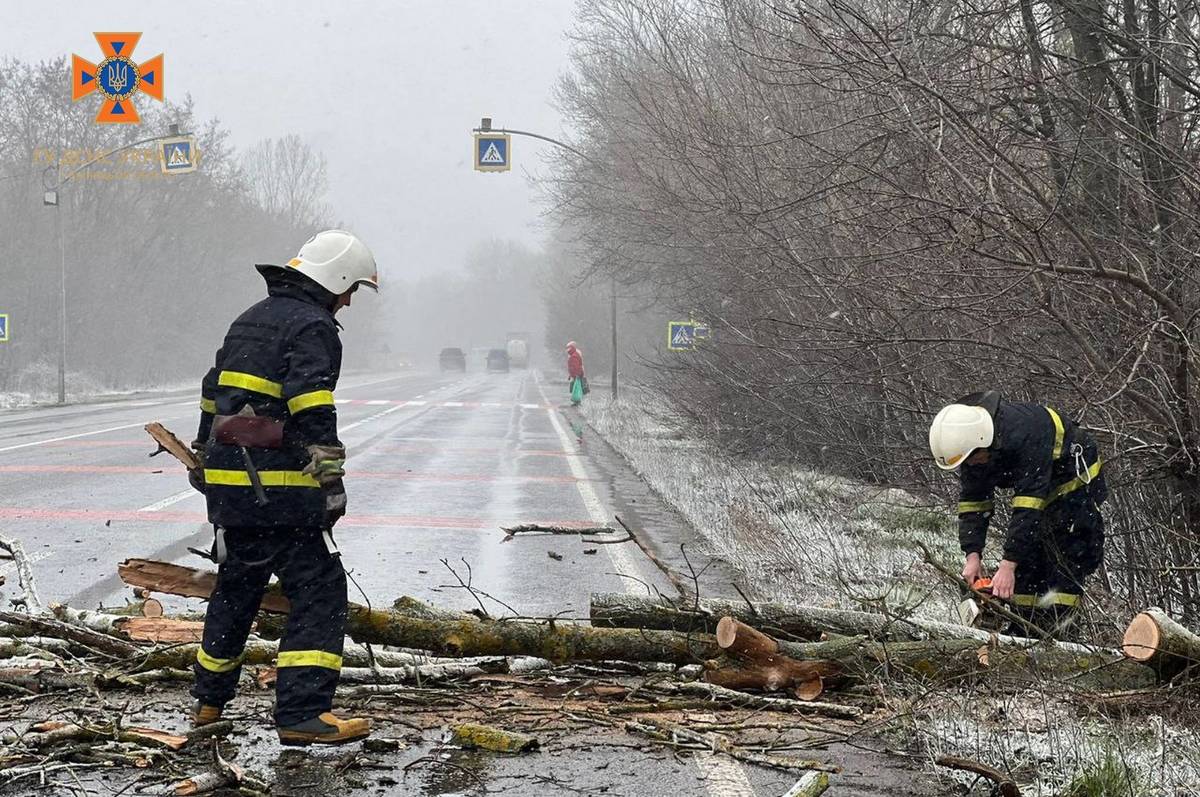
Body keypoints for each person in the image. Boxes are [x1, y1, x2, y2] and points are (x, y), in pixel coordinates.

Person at [188, 230, 378, 745]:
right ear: (335, 279)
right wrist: (330, 476)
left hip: (231, 486)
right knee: (320, 591)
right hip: (280, 493)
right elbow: (310, 403)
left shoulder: (249, 318)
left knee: (236, 589)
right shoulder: (313, 326)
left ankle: (208, 702)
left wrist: (205, 451)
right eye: (351, 288)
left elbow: (213, 391)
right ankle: (302, 713)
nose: (350, 300)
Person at [928, 390, 1107, 634]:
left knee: (1063, 562)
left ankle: (1062, 634)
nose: (971, 466)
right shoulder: (973, 449)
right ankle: (1025, 631)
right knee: (1029, 564)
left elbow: (1028, 505)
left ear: (984, 441)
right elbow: (974, 502)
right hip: (1040, 486)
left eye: (973, 459)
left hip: (1074, 484)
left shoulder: (1024, 434)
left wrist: (1008, 564)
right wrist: (972, 554)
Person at [566, 341, 586, 405]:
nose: (567, 350)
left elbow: (575, 366)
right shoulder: (575, 355)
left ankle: (577, 401)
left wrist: (576, 374)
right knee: (576, 388)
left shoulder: (574, 356)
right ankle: (577, 400)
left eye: (568, 348)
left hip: (576, 375)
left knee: (576, 388)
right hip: (576, 374)